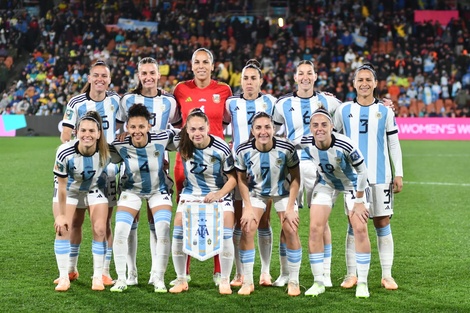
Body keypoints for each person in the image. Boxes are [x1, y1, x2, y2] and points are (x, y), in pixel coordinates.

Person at [333, 64, 403, 290]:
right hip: (353, 180)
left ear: (375, 83)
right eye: (360, 79)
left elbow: (393, 143)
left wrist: (398, 173)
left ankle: (387, 275)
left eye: (368, 80)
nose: (364, 83)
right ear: (354, 83)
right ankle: (351, 274)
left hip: (380, 176)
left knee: (382, 223)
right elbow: (333, 141)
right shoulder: (343, 111)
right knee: (354, 225)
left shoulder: (385, 111)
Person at [272, 60, 341, 287]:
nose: (304, 77)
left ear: (315, 76)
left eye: (308, 73)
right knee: (286, 221)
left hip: (318, 167)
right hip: (291, 166)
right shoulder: (283, 104)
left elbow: (348, 114)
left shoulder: (328, 101)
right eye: (300, 73)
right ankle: (285, 273)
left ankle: (326, 273)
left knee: (320, 222)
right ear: (294, 77)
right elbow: (274, 131)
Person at [55, 60, 121, 286]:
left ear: (109, 79)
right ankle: (70, 270)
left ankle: (104, 271)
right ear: (90, 78)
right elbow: (66, 134)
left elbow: (124, 128)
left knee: (103, 224)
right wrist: (79, 153)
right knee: (74, 221)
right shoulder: (76, 102)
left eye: (104, 75)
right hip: (79, 168)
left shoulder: (116, 100)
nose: (100, 79)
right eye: (96, 75)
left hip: (107, 169)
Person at [171, 48, 232, 285]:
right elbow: (175, 122)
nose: (201, 66)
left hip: (217, 164)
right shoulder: (180, 89)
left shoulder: (224, 90)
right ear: (191, 65)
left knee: (218, 216)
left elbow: (229, 120)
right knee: (184, 217)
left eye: (206, 61)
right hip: (185, 163)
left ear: (212, 65)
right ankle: (182, 274)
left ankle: (219, 273)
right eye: (197, 62)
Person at [119, 57, 181, 286]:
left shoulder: (169, 101)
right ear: (138, 75)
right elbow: (120, 130)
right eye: (143, 73)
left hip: (159, 168)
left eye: (151, 73)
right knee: (131, 220)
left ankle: (157, 273)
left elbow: (175, 128)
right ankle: (132, 272)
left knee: (156, 221)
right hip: (133, 166)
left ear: (158, 75)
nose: (148, 77)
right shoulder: (127, 100)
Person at [300, 107, 372, 298]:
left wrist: (358, 201)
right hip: (327, 183)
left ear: (332, 126)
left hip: (353, 184)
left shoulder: (345, 145)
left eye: (324, 124)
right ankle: (319, 281)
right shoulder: (306, 142)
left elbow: (363, 172)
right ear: (310, 128)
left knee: (360, 228)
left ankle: (362, 282)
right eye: (315, 125)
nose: (319, 129)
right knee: (315, 228)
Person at [109, 103, 177, 293]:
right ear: (127, 128)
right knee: (121, 229)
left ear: (149, 126)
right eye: (132, 127)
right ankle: (124, 277)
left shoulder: (162, 137)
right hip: (131, 190)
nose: (137, 131)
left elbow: (185, 135)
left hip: (159, 190)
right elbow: (104, 152)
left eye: (141, 126)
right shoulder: (119, 143)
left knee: (163, 228)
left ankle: (158, 277)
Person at [168, 108, 237, 295]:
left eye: (200, 128)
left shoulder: (221, 147)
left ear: (208, 127)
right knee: (178, 231)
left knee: (226, 231)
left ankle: (224, 280)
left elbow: (233, 179)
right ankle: (181, 278)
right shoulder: (181, 142)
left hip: (218, 193)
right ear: (186, 130)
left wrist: (219, 194)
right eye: (192, 129)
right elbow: (155, 137)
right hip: (191, 193)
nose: (197, 133)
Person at [235, 112, 302, 296]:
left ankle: (293, 281)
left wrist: (290, 208)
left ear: (273, 129)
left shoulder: (286, 148)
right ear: (252, 130)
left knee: (290, 227)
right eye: (258, 127)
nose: (263, 131)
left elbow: (296, 177)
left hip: (284, 192)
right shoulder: (243, 150)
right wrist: (247, 207)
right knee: (247, 227)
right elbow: (241, 179)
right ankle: (248, 282)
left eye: (267, 127)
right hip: (257, 192)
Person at [225, 59, 277, 287]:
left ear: (261, 81)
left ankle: (265, 272)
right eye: (245, 78)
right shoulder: (231, 104)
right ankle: (240, 273)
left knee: (264, 221)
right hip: (240, 170)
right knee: (240, 221)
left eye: (253, 78)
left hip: (265, 169)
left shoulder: (271, 103)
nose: (249, 82)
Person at [53, 111, 111, 291]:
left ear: (99, 133)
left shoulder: (106, 151)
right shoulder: (64, 152)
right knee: (63, 228)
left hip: (93, 188)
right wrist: (61, 215)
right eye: (83, 130)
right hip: (69, 190)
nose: (87, 134)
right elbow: (61, 186)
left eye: (92, 131)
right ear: (76, 132)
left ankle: (97, 276)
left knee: (101, 228)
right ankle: (65, 275)